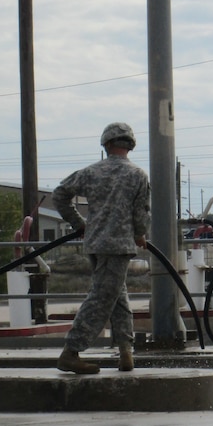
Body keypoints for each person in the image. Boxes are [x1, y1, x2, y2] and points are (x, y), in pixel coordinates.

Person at [53, 122, 151, 374]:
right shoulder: (137, 175)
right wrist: (140, 234)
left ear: (106, 144)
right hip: (119, 246)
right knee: (102, 297)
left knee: (117, 296)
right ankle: (71, 352)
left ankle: (125, 351)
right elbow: (141, 213)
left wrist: (79, 223)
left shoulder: (90, 172)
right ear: (130, 145)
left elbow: (60, 194)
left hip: (96, 244)